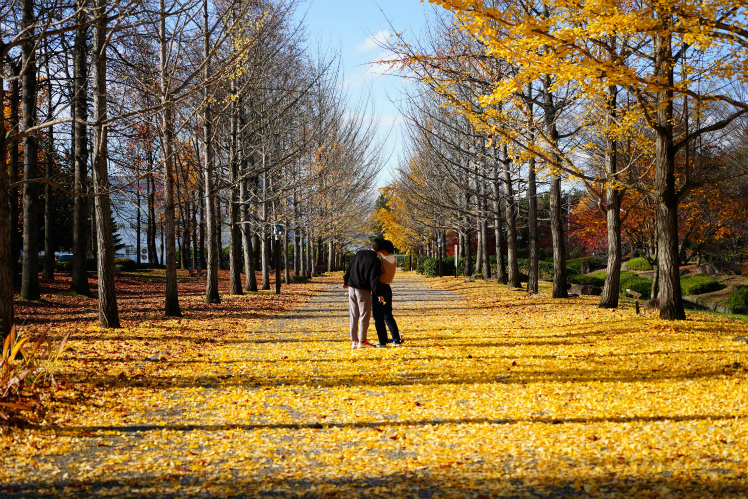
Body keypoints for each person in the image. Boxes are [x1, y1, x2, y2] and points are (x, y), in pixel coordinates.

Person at [343, 238, 384, 348]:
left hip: (351, 286)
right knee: (364, 314)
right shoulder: (376, 261)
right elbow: (373, 280)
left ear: (371, 245)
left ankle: (354, 341)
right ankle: (362, 340)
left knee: (354, 314)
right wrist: (378, 293)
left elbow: (350, 267)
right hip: (363, 289)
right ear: (381, 250)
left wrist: (345, 280)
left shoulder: (359, 253)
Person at [373, 240, 403, 347]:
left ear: (384, 250)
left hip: (380, 288)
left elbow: (376, 275)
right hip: (388, 288)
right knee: (388, 315)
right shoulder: (394, 260)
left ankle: (383, 341)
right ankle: (396, 340)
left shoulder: (382, 262)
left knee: (378, 317)